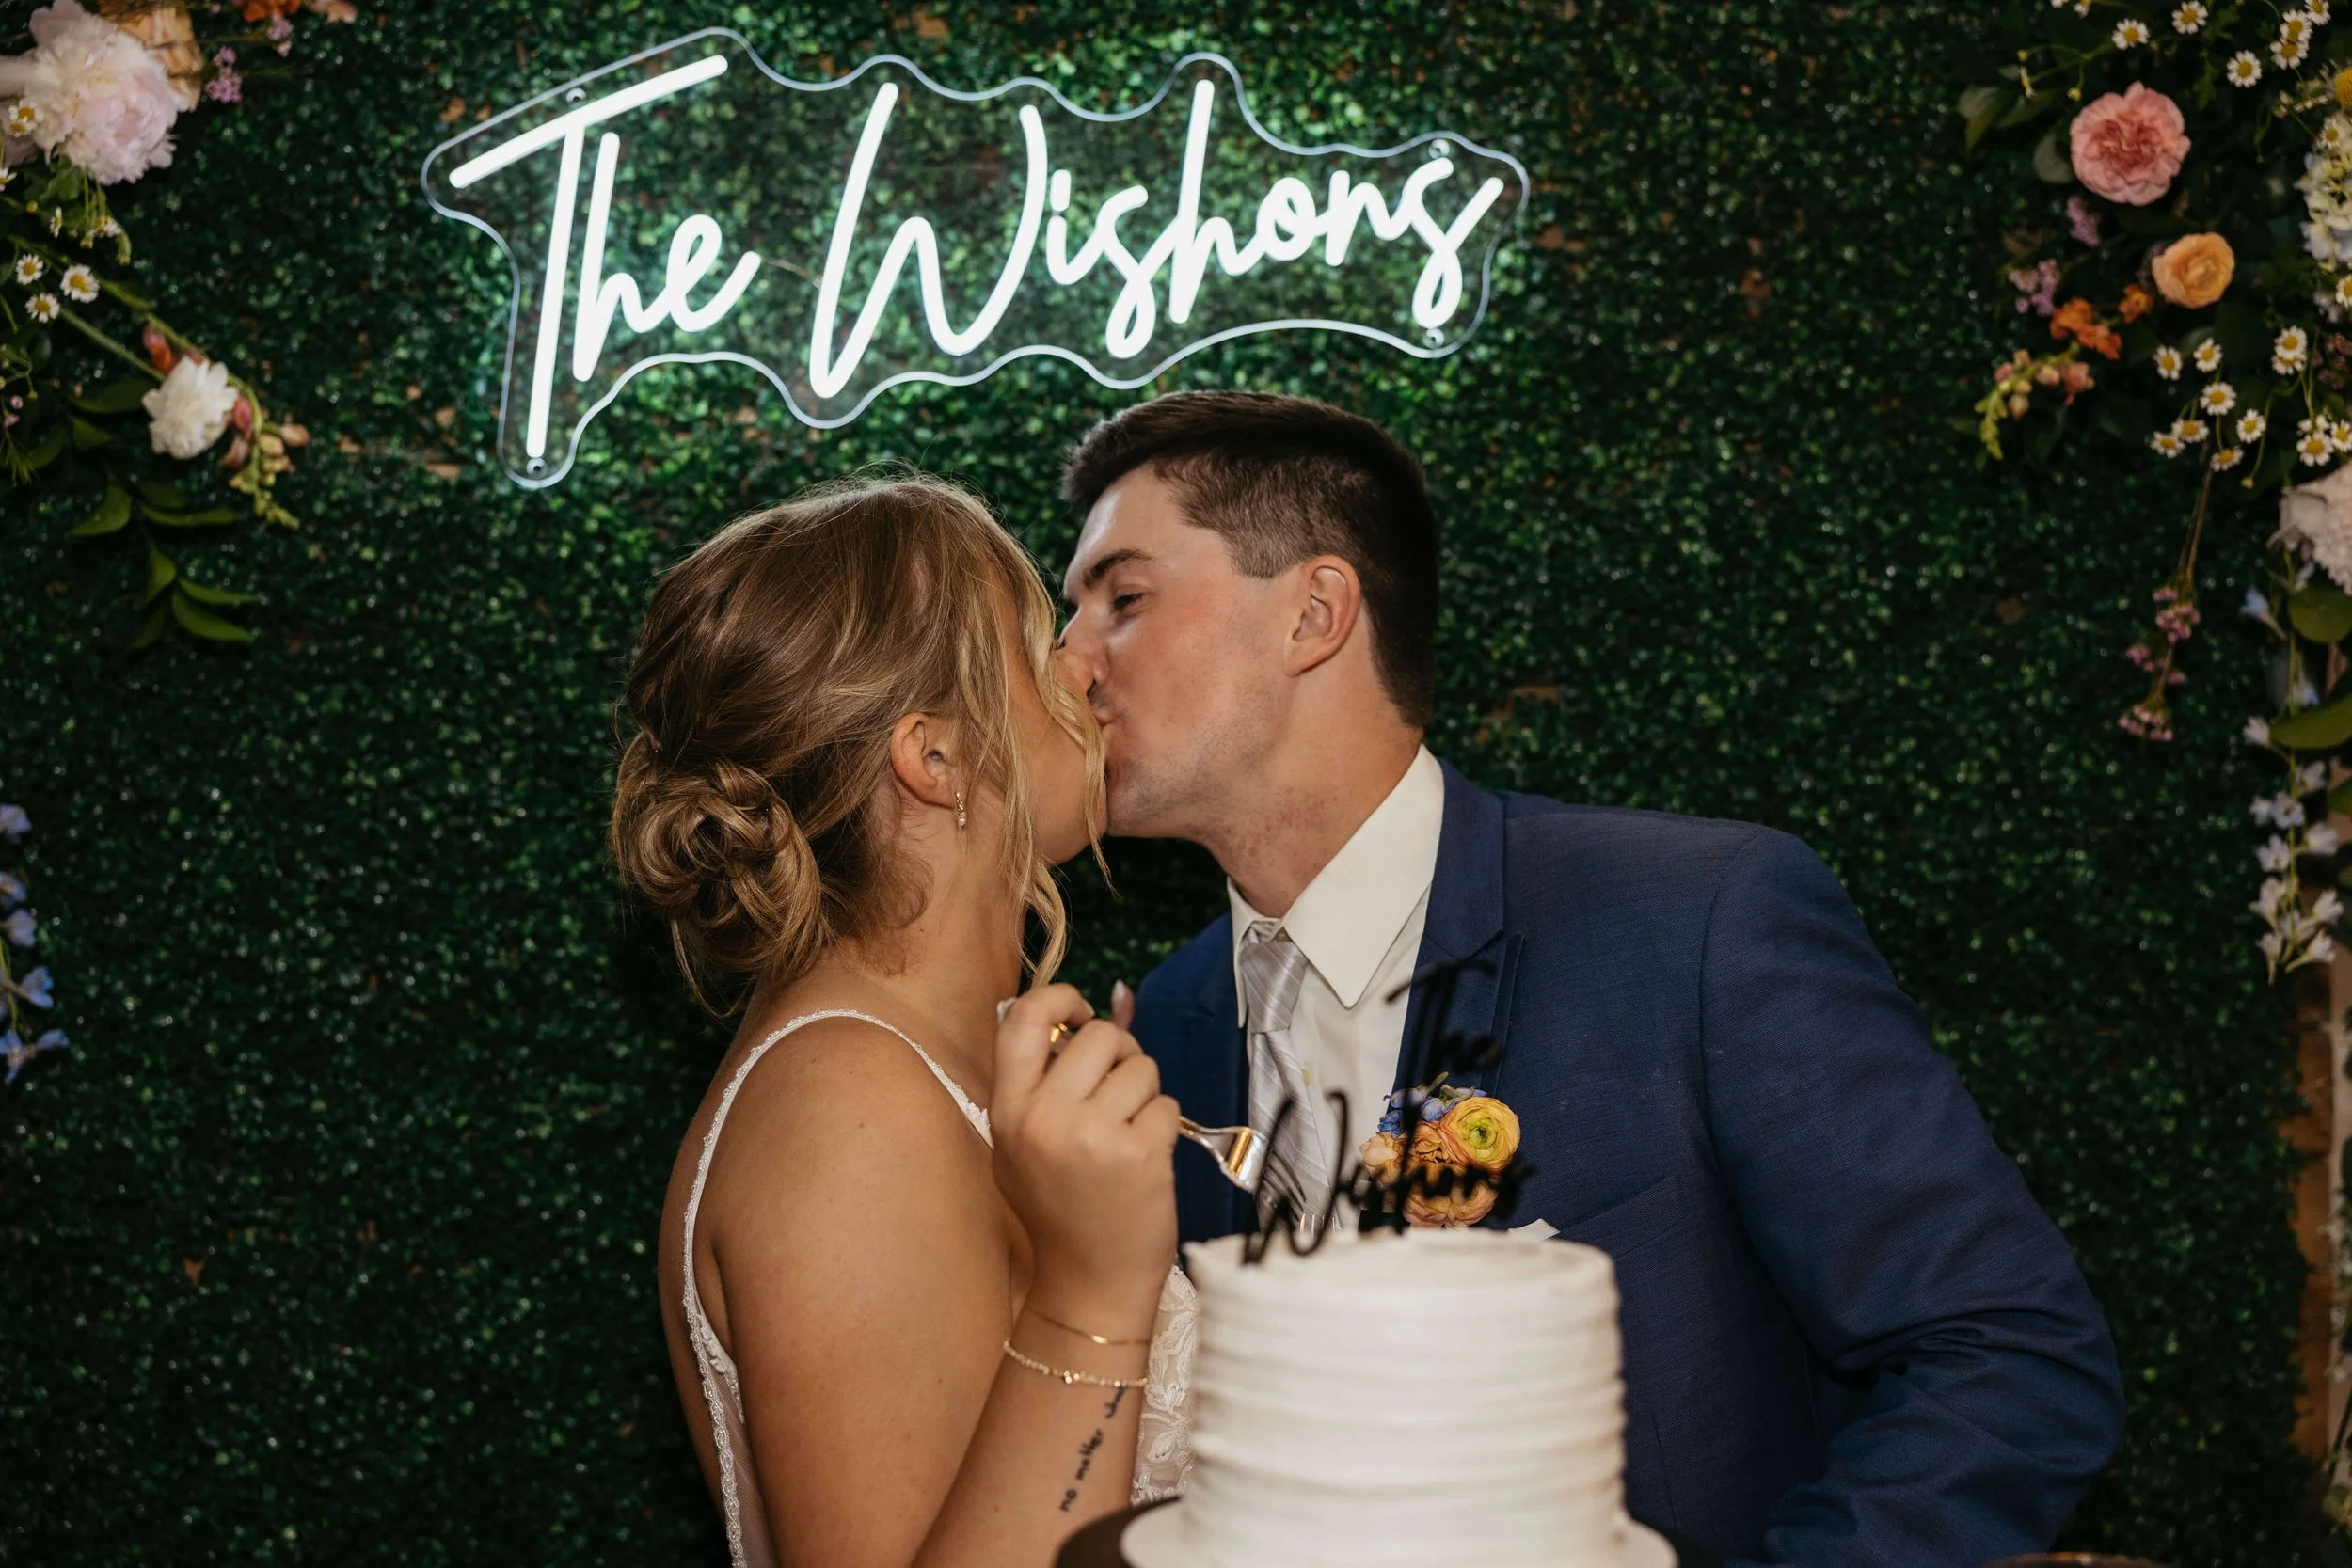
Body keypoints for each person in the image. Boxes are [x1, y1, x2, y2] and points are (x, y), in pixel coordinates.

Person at [1055, 391, 2127, 1567]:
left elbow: (2010, 1349)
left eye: (1123, 599)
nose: (1067, 665)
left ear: (1314, 613)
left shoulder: (1699, 922)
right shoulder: (1170, 1016)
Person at [612, 476, 1195, 1568]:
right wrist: (1094, 1285)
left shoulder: (929, 1058)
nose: (1078, 662)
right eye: (1031, 641)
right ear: (932, 759)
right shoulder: (848, 1112)